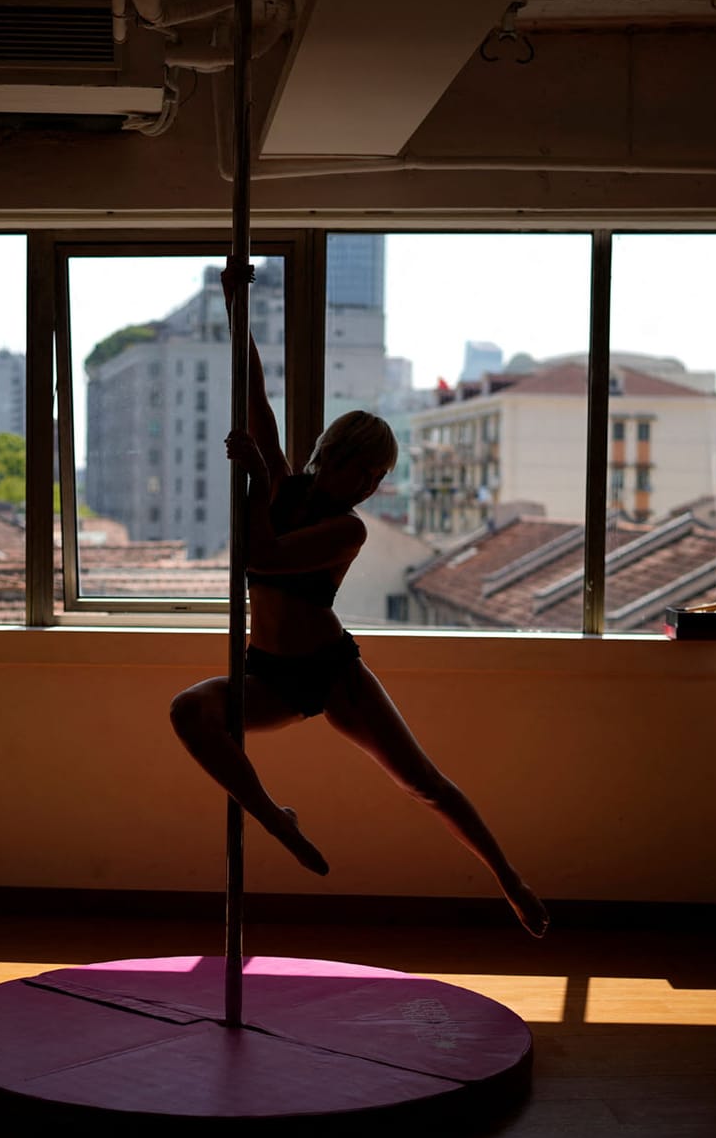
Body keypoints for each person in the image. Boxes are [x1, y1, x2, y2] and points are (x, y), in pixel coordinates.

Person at [169, 264, 548, 937]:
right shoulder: (286, 484)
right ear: (334, 455)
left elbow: (262, 557)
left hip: (331, 670)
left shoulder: (346, 528)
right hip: (271, 674)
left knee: (423, 781)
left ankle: (509, 879)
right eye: (366, 471)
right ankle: (272, 816)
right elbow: (251, 386)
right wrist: (236, 301)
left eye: (380, 477)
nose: (373, 486)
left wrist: (258, 480)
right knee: (190, 711)